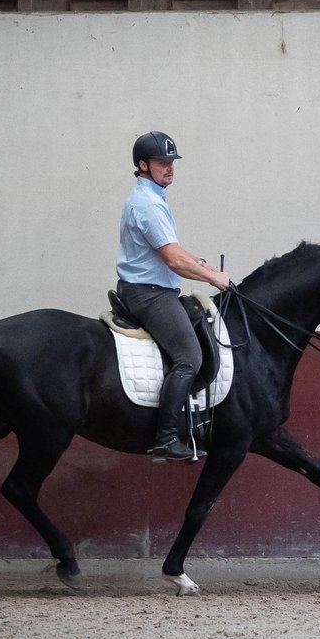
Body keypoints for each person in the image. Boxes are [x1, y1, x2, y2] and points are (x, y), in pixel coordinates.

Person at [116, 131, 230, 462]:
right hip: (149, 295)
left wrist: (199, 262)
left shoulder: (153, 198)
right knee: (189, 357)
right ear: (142, 165)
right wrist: (214, 278)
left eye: (171, 162)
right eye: (161, 163)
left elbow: (176, 252)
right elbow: (172, 260)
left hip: (151, 289)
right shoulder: (147, 204)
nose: (169, 168)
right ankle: (165, 438)